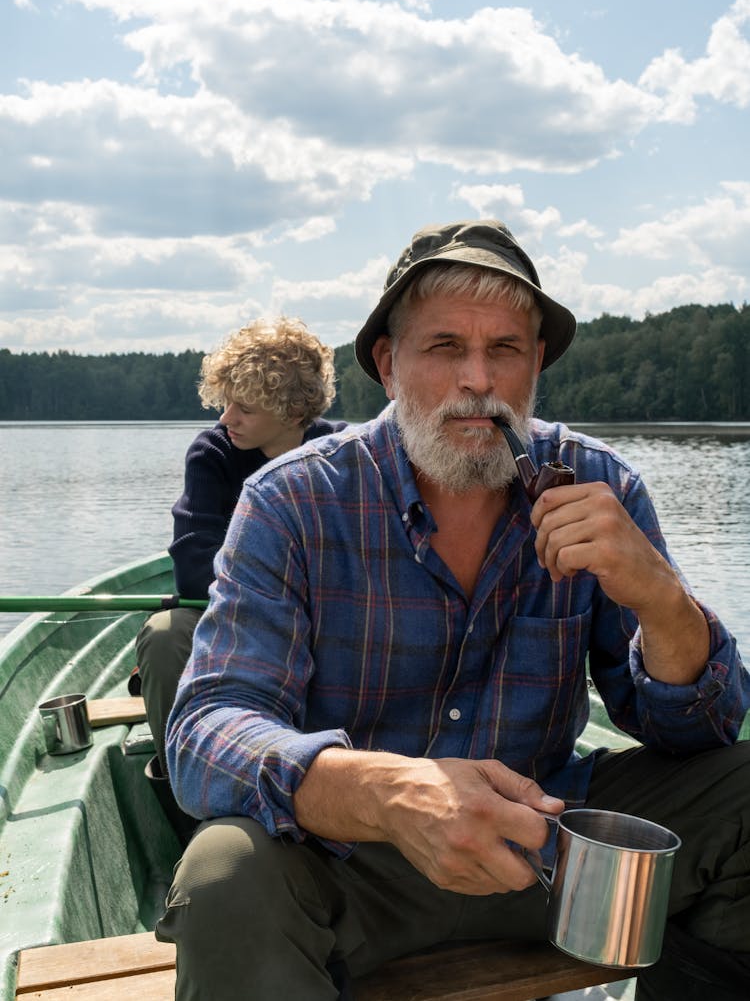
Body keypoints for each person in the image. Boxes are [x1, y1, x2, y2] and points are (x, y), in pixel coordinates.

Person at [158, 221, 750, 1000]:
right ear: (388, 363)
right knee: (222, 872)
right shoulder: (291, 501)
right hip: (353, 868)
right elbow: (206, 732)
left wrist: (662, 600)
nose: (479, 379)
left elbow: (697, 734)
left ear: (536, 361)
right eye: (444, 348)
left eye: (505, 348)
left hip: (551, 856)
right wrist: (389, 792)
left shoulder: (603, 487)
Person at [134, 315, 347, 837]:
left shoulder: (346, 454)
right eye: (225, 401)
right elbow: (191, 570)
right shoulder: (213, 454)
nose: (227, 417)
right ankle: (190, 805)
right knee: (163, 641)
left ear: (292, 410)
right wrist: (281, 590)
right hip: (233, 623)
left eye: (244, 407)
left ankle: (338, 790)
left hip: (330, 624)